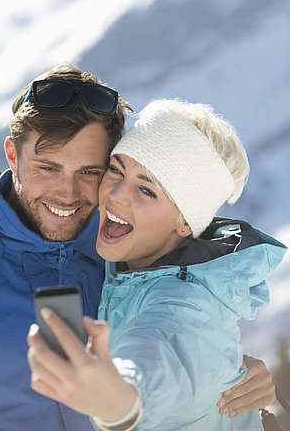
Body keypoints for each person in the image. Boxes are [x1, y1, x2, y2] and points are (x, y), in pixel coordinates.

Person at [0, 65, 275, 431]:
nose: (68, 194)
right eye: (47, 167)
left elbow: (169, 343)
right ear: (12, 157)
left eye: (90, 171)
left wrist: (218, 368)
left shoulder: (116, 252)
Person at [25, 98, 287, 430]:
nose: (117, 194)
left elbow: (163, 353)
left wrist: (115, 399)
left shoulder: (188, 310)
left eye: (147, 190)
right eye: (116, 169)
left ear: (186, 223)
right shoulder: (131, 256)